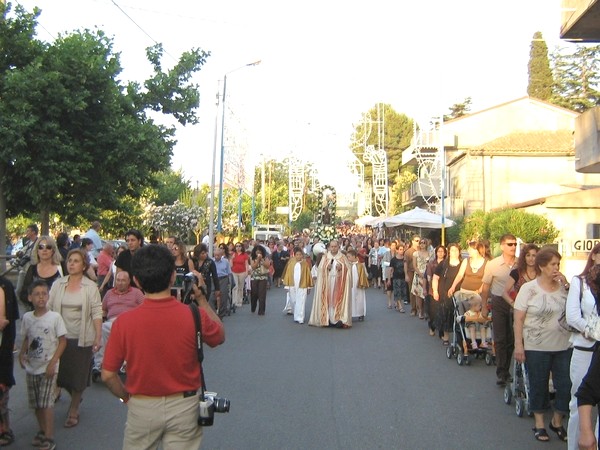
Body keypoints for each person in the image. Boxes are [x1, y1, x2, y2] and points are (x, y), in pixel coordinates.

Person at [101, 244, 225, 450]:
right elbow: (219, 336)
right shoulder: (193, 315)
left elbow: (107, 375)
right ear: (172, 277)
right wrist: (201, 299)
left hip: (142, 405)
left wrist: (126, 398)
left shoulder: (123, 322)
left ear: (136, 280)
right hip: (184, 405)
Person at [513, 248, 572, 443]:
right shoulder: (528, 289)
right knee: (539, 384)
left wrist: (567, 285)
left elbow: (575, 309)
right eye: (553, 264)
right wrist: (519, 345)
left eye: (558, 264)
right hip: (536, 346)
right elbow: (518, 319)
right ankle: (539, 424)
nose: (556, 268)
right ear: (541, 266)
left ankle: (557, 421)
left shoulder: (564, 287)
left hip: (563, 345)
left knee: (565, 385)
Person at [48, 249, 102, 428]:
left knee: (78, 375)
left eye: (76, 261)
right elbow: (49, 306)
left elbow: (96, 312)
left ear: (84, 265)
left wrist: (98, 336)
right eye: (69, 260)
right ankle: (75, 397)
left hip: (82, 336)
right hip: (60, 337)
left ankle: (73, 409)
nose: (71, 264)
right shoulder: (58, 284)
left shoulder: (90, 287)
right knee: (61, 376)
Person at [19, 281, 67, 450]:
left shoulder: (55, 318)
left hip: (48, 367)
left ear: (48, 296)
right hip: (32, 366)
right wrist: (22, 353)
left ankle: (49, 436)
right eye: (37, 294)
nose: (41, 297)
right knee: (36, 403)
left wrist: (53, 362)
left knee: (46, 402)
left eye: (44, 294)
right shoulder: (27, 318)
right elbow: (27, 338)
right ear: (29, 297)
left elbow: (62, 341)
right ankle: (42, 430)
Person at [566, 242, 600, 450]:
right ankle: (576, 445)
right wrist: (592, 331)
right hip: (585, 347)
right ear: (594, 255)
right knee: (579, 402)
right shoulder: (580, 282)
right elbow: (572, 316)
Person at [480, 233, 518, 386]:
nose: (513, 247)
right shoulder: (493, 264)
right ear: (502, 246)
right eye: (510, 244)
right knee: (501, 339)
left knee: (512, 340)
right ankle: (502, 372)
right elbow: (485, 287)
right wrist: (484, 306)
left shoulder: (520, 263)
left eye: (515, 244)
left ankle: (510, 369)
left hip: (516, 303)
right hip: (499, 302)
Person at [92, 271, 144, 373]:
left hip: (130, 321)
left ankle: (126, 363)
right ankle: (99, 364)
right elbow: (103, 310)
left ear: (128, 281)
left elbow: (145, 307)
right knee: (101, 329)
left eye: (123, 280)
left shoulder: (136, 293)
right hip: (112, 322)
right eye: (118, 280)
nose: (120, 283)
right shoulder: (109, 293)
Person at [308, 239, 352, 328]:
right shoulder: (325, 257)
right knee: (328, 300)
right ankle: (327, 319)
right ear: (329, 247)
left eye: (335, 246)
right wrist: (326, 267)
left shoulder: (342, 257)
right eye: (332, 247)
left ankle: (337, 319)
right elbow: (320, 269)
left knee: (336, 300)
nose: (333, 248)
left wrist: (342, 267)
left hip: (338, 282)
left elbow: (348, 269)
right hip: (327, 282)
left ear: (338, 247)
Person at [19, 236, 64, 307]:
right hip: (37, 310)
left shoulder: (62, 267)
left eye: (48, 247)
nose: (44, 250)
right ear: (37, 250)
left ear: (53, 250)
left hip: (57, 310)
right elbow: (24, 294)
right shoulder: (32, 269)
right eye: (41, 247)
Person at [0, 276, 19, 447]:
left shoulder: (5, 286)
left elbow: (10, 321)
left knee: (1, 389)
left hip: (2, 348)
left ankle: (5, 428)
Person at [432, 243, 462, 345]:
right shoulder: (444, 264)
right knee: (446, 314)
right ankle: (446, 337)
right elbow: (435, 278)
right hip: (444, 292)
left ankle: (459, 338)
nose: (454, 252)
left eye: (456, 250)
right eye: (452, 250)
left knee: (458, 315)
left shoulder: (462, 264)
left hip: (459, 293)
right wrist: (435, 291)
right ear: (449, 252)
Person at [282, 247, 313, 324]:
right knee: (294, 300)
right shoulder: (291, 263)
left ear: (302, 255)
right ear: (294, 255)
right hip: (292, 284)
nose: (299, 256)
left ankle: (300, 317)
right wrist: (287, 286)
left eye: (300, 254)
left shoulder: (305, 264)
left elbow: (308, 275)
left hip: (302, 285)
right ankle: (296, 315)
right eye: (297, 255)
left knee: (301, 300)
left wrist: (308, 287)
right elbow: (288, 274)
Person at [426, 245, 447, 337]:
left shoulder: (446, 263)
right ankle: (432, 327)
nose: (440, 253)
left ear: (445, 253)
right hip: (433, 289)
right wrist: (430, 288)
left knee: (442, 311)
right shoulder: (431, 264)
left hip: (444, 289)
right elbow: (428, 276)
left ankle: (441, 331)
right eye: (438, 251)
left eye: (442, 251)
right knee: (433, 311)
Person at [16, 223, 39, 301]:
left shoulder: (38, 243)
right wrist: (19, 253)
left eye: (28, 231)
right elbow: (23, 252)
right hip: (24, 269)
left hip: (32, 270)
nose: (26, 233)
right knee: (18, 290)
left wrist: (29, 257)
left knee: (31, 290)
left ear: (33, 232)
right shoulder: (28, 242)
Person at [347, 249, 368, 322]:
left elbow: (362, 275)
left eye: (349, 257)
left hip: (358, 285)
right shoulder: (348, 265)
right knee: (350, 298)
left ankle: (360, 314)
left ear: (354, 256)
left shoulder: (360, 265)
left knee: (359, 299)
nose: (348, 258)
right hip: (350, 286)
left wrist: (361, 284)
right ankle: (350, 314)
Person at [249, 245, 270, 315]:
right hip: (254, 277)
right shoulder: (252, 258)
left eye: (260, 252)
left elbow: (267, 266)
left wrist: (262, 260)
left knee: (262, 294)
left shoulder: (265, 258)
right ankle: (253, 306)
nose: (258, 253)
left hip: (263, 278)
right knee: (254, 293)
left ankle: (261, 311)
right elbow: (253, 267)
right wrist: (258, 260)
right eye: (257, 252)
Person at [411, 238, 430, 319]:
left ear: (426, 244)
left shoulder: (429, 253)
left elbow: (430, 264)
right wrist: (420, 274)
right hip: (418, 275)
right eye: (421, 243)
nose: (422, 244)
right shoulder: (415, 253)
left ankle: (426, 311)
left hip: (427, 275)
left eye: (424, 243)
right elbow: (414, 265)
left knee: (426, 294)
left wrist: (426, 274)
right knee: (418, 294)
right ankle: (420, 311)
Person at [213, 247, 232, 317]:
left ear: (221, 255)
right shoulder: (211, 261)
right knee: (212, 296)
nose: (216, 257)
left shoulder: (225, 261)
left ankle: (221, 314)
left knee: (223, 296)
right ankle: (213, 313)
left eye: (218, 255)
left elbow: (229, 272)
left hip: (223, 278)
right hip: (214, 279)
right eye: (215, 255)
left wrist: (229, 282)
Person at [389, 244, 408, 313]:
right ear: (397, 250)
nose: (401, 251)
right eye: (400, 249)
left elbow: (406, 267)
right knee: (397, 292)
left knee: (402, 292)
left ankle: (398, 303)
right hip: (396, 277)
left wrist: (406, 275)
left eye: (402, 249)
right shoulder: (393, 260)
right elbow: (391, 269)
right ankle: (400, 306)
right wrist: (389, 279)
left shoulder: (404, 259)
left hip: (403, 277)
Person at [231, 242, 250, 308]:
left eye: (239, 246)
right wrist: (232, 258)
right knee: (235, 286)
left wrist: (247, 272)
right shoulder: (233, 254)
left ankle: (239, 301)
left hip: (242, 272)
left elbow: (246, 264)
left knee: (240, 287)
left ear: (242, 247)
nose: (238, 247)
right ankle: (234, 301)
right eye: (237, 246)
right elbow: (231, 265)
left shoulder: (244, 255)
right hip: (234, 272)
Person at [405, 235, 420, 315]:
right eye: (416, 241)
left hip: (420, 273)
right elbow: (405, 264)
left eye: (419, 241)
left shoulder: (421, 250)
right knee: (412, 291)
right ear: (412, 241)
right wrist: (406, 275)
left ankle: (420, 309)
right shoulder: (408, 252)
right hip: (411, 272)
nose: (418, 242)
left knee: (420, 291)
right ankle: (413, 309)